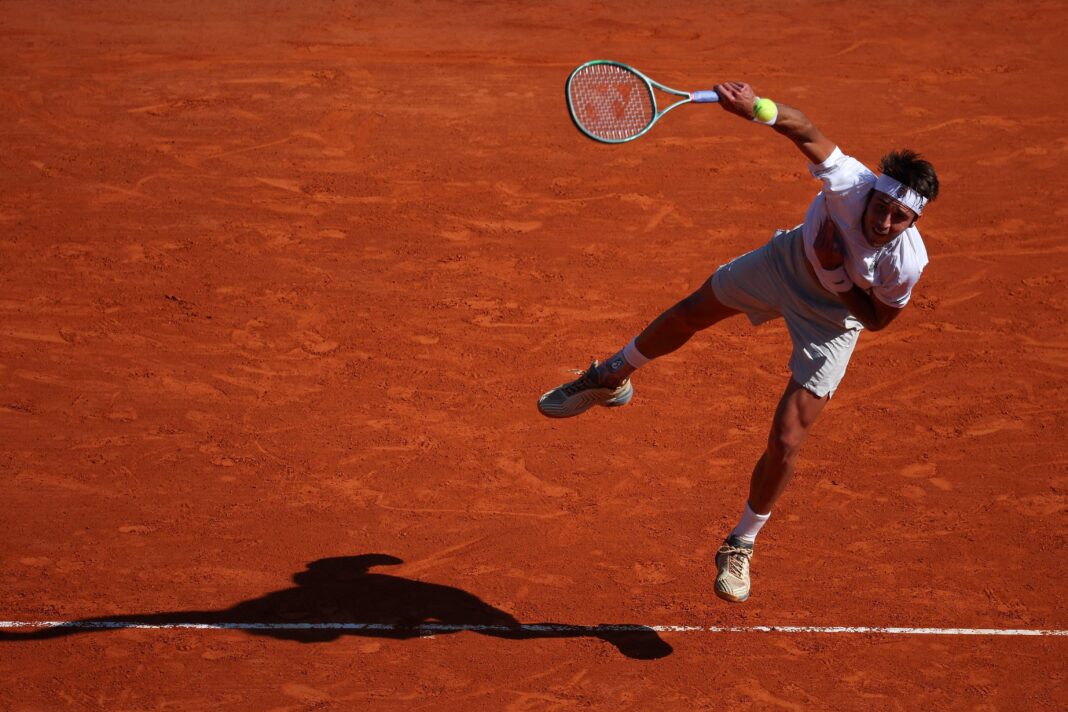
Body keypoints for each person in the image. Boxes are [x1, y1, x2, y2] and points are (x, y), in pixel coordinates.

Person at [537, 81, 940, 603]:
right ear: (873, 191)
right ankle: (612, 377)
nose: (882, 221)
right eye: (880, 206)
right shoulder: (851, 183)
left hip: (834, 318)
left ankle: (741, 542)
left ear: (914, 220)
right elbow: (804, 129)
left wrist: (838, 275)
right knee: (691, 312)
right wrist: (757, 108)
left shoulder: (907, 263)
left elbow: (877, 320)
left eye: (898, 217)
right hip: (785, 263)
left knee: (788, 440)